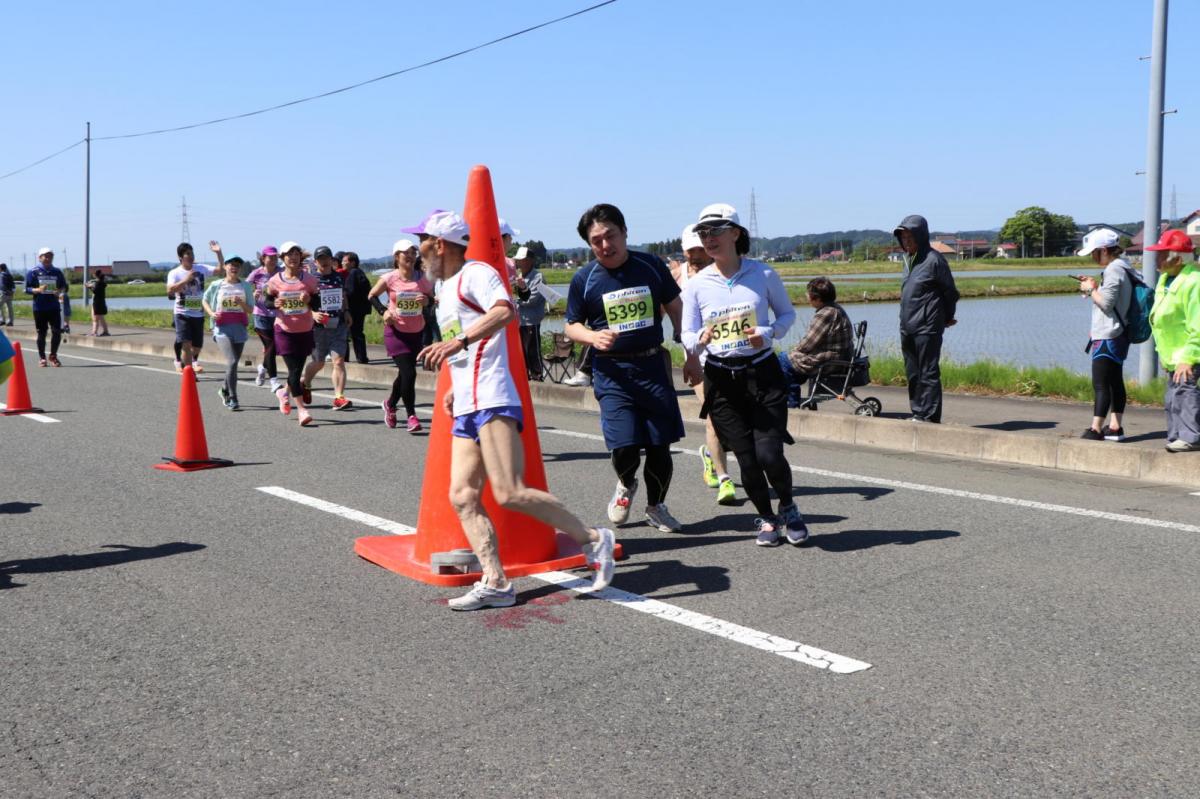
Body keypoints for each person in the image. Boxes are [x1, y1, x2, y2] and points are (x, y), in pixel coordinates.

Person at [415, 211, 615, 610]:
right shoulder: (444, 288)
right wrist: (454, 385)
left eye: (422, 241)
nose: (417, 251)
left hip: (492, 395)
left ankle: (593, 538)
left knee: (509, 492)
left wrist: (458, 343)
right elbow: (465, 344)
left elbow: (504, 310)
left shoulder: (476, 273)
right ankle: (496, 581)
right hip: (467, 401)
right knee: (462, 495)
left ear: (439, 244)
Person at [681, 204, 803, 546]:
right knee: (747, 459)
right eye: (703, 233)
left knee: (769, 454)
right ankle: (767, 519)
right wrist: (699, 339)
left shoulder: (763, 274)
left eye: (715, 231)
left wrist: (768, 332)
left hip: (762, 373)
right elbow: (686, 333)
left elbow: (787, 315)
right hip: (721, 379)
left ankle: (789, 507)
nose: (708, 238)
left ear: (735, 233)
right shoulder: (697, 285)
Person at [566, 203, 685, 533]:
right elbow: (571, 325)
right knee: (624, 446)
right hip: (612, 372)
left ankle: (656, 506)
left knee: (660, 445)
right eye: (596, 241)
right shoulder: (584, 278)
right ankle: (626, 483)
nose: (606, 245)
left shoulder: (650, 266)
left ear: (624, 232)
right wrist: (592, 337)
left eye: (611, 236)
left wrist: (688, 350)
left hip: (652, 366)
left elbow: (675, 306)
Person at [675, 224, 736, 505]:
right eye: (691, 250)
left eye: (700, 249)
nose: (696, 255)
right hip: (697, 358)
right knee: (713, 417)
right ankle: (724, 478)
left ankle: (710, 454)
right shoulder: (677, 276)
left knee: (732, 420)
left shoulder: (722, 272)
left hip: (728, 357)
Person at [894, 214, 958, 423]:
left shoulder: (934, 260)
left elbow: (950, 292)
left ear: (921, 236)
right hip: (907, 325)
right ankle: (918, 413)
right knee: (913, 373)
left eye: (910, 237)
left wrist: (947, 316)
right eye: (903, 238)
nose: (906, 241)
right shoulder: (908, 261)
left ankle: (930, 417)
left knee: (928, 372)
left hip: (927, 325)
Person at [1144, 229, 1200, 451]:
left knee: (1185, 391)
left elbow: (1198, 322)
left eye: (1162, 254)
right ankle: (1176, 435)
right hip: (1172, 353)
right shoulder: (1165, 280)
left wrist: (1189, 357)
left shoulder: (1194, 282)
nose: (1156, 259)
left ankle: (1191, 437)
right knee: (1173, 395)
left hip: (1187, 352)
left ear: (1177, 259)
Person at [1076, 229, 1134, 442]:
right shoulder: (1124, 266)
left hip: (1108, 334)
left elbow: (1106, 304)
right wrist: (1094, 287)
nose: (1092, 256)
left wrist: (1091, 289)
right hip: (1119, 333)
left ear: (1104, 250)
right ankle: (1115, 427)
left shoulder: (1113, 269)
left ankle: (1096, 428)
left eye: (1094, 252)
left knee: (1101, 383)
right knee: (1115, 380)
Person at [369, 238, 432, 431]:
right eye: (406, 253)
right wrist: (384, 312)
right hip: (395, 333)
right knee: (410, 373)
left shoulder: (422, 278)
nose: (411, 256)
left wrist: (426, 301)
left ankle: (390, 404)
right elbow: (372, 296)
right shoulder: (390, 278)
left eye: (413, 253)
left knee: (404, 374)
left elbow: (432, 299)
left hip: (416, 332)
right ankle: (412, 416)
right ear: (397, 257)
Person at [263, 242, 321, 426]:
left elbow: (318, 303)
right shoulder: (275, 280)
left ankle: (284, 392)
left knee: (296, 370)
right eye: (289, 254)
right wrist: (274, 304)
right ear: (283, 258)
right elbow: (267, 301)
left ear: (300, 257)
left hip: (304, 330)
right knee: (294, 372)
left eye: (296, 254)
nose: (293, 257)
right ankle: (302, 410)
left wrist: (309, 299)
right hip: (284, 331)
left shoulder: (309, 280)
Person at [301, 246, 352, 411]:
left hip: (338, 324)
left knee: (339, 361)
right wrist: (313, 313)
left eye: (326, 258)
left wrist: (346, 311)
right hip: (318, 327)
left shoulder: (338, 277)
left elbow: (343, 295)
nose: (324, 261)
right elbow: (302, 301)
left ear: (332, 260)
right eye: (320, 259)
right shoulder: (310, 279)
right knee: (319, 362)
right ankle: (305, 383)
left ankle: (339, 397)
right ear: (315, 262)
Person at [201, 255, 254, 410]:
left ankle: (224, 388)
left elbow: (251, 309)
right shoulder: (217, 285)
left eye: (237, 265)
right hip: (221, 328)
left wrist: (241, 303)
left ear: (240, 269)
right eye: (231, 264)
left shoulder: (245, 286)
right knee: (231, 361)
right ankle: (233, 397)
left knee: (234, 364)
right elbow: (204, 300)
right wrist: (211, 313)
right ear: (225, 267)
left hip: (239, 328)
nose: (234, 267)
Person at [166, 241, 221, 374]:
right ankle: (189, 373)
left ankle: (187, 362)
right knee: (186, 344)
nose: (191, 256)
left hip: (198, 313)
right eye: (187, 254)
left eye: (192, 253)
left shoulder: (200, 268)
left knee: (197, 347)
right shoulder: (174, 273)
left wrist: (218, 253)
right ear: (180, 257)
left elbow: (220, 270)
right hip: (182, 313)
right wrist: (186, 279)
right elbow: (169, 291)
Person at [787, 276, 854, 379]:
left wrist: (793, 351)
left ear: (817, 298)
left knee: (783, 359)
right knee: (790, 362)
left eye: (808, 294)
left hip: (829, 363)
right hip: (840, 359)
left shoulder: (825, 314)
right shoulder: (836, 308)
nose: (806, 296)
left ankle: (788, 390)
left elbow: (807, 344)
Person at [247, 246, 283, 392]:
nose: (273, 260)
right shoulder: (256, 273)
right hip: (260, 315)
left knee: (274, 348)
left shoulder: (281, 272)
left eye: (275, 257)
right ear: (263, 258)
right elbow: (244, 288)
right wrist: (252, 295)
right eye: (270, 257)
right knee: (271, 346)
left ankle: (262, 367)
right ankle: (274, 380)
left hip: (277, 315)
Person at [26, 248, 68, 366]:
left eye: (50, 256)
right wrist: (37, 290)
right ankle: (42, 357)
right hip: (39, 307)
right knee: (42, 333)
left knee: (57, 332)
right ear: (40, 258)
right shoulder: (33, 272)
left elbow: (64, 287)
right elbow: (27, 289)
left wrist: (59, 291)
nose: (48, 258)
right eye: (45, 256)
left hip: (54, 307)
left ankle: (53, 355)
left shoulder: (57, 271)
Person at [512, 246, 546, 381]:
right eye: (519, 260)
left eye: (524, 260)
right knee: (522, 352)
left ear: (531, 261)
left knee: (532, 351)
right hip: (519, 320)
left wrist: (515, 301)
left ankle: (537, 377)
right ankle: (525, 378)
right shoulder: (518, 276)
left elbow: (532, 299)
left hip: (532, 320)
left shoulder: (538, 277)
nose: (521, 263)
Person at [342, 251, 372, 364]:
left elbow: (350, 291)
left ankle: (351, 357)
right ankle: (361, 357)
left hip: (353, 309)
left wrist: (342, 295)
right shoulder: (360, 272)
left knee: (350, 333)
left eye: (344, 261)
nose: (342, 263)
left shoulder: (353, 273)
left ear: (352, 263)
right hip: (361, 308)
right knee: (357, 332)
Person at [86, 269, 110, 336]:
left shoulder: (98, 283)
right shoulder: (101, 282)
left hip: (97, 302)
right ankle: (106, 332)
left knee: (95, 319)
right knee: (101, 318)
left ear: (95, 275)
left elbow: (95, 291)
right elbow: (97, 288)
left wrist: (89, 287)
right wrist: (91, 286)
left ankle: (94, 332)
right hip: (101, 302)